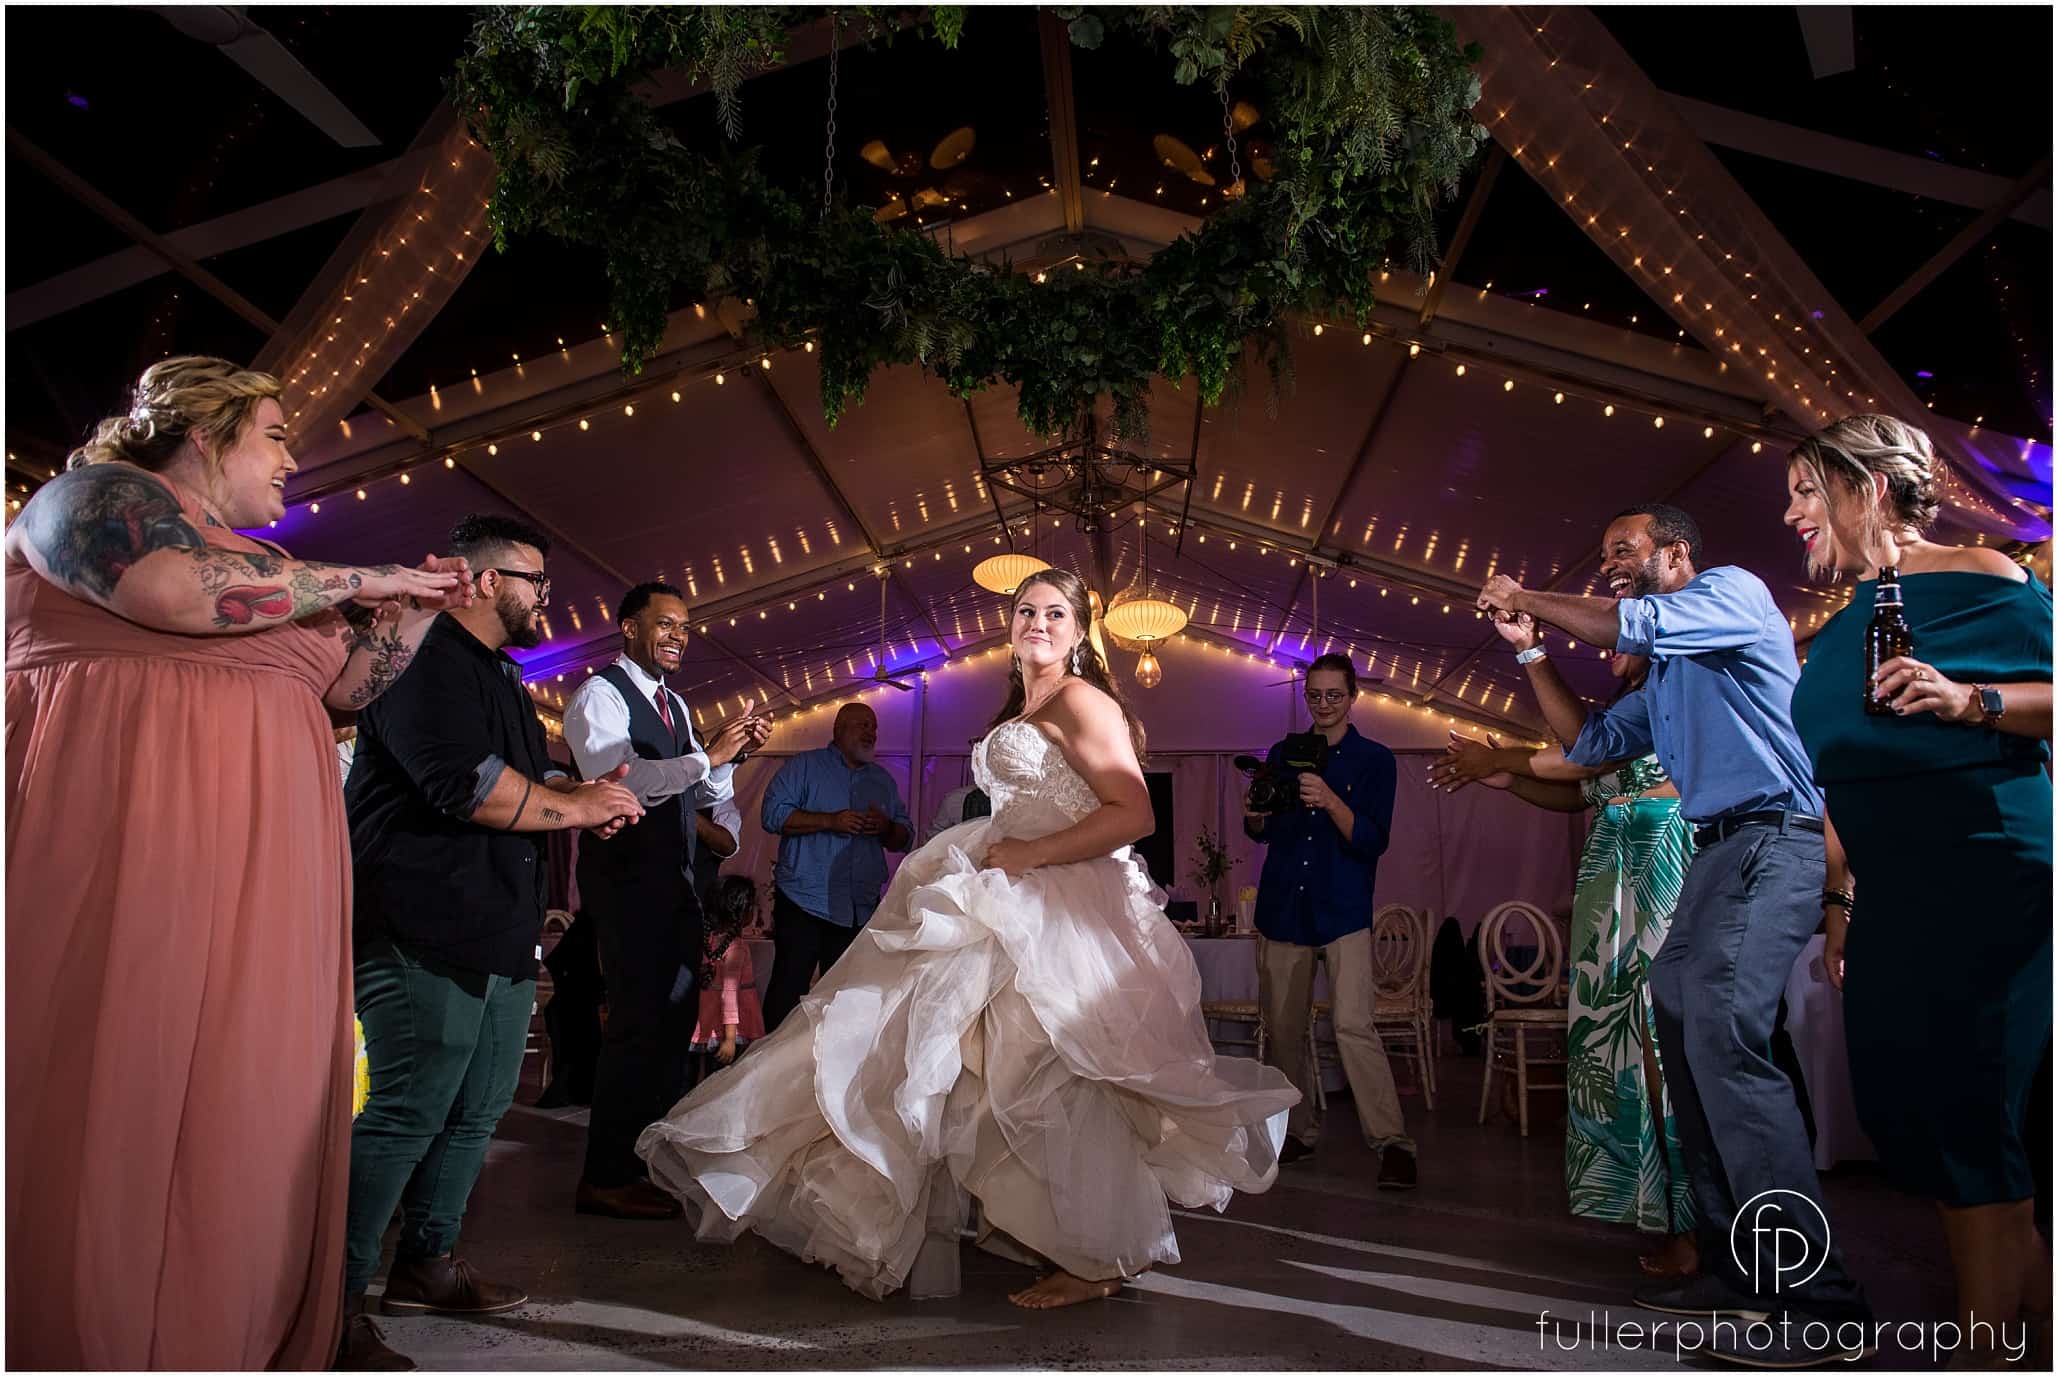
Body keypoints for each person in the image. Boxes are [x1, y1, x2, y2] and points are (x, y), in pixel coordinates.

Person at [638, 568, 1297, 1308]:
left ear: (1081, 631)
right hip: (1001, 891)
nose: (1038, 623)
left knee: (1039, 1073)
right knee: (974, 1068)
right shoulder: (1027, 702)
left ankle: (1095, 1252)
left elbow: (1135, 813)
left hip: (1052, 901)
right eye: (1025, 611)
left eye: (1055, 613)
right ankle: (1041, 1226)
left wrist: (1027, 855)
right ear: (1008, 624)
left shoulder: (1083, 698)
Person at [4, 356, 468, 1369]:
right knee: (121, 1074)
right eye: (275, 434)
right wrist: (371, 576)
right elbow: (170, 591)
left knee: (242, 1102)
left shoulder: (260, 560)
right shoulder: (90, 499)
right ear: (204, 434)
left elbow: (348, 688)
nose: (293, 458)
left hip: (269, 863)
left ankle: (227, 1331)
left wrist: (421, 606)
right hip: (132, 828)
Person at [1476, 502, 1872, 1366]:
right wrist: (1529, 648)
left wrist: (1531, 596)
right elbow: (1587, 743)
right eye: (1607, 550)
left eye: (1625, 549)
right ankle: (1736, 1266)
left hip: (1777, 840)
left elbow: (1636, 618)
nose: (1611, 562)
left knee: (1728, 1039)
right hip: (1716, 854)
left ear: (1677, 553)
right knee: (1685, 1035)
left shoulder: (1734, 593)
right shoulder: (1664, 681)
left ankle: (1820, 1297)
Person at [342, 514, 644, 1370]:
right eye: (532, 580)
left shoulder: (504, 677)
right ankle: (331, 1299)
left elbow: (521, 774)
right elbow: (462, 783)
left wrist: (580, 790)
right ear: (480, 580)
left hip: (499, 929)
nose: (546, 596)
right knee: (407, 1111)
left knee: (476, 1111)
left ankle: (427, 1263)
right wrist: (575, 807)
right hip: (420, 920)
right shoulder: (418, 656)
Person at [1782, 415, 2052, 1364]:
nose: (1790, 513)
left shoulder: (1989, 576)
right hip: (1893, 897)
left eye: (1807, 490)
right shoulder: (1839, 624)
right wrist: (1842, 906)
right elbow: (1843, 790)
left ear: (1871, 486)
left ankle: (1987, 1355)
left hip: (1987, 872)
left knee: (1973, 1122)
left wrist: (1969, 697)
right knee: (1919, 1122)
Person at [1430, 626, 1696, 1277]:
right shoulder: (1619, 712)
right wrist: (1506, 780)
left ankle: (1697, 1229)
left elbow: (1584, 761)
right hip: (1611, 894)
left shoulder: (1678, 695)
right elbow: (1580, 791)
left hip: (1660, 881)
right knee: (1625, 1058)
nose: (1609, 651)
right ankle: (1660, 1217)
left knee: (1665, 1053)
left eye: (1620, 636)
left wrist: (1505, 758)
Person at [562, 581, 769, 1220]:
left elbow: (703, 796)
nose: (680, 635)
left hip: (677, 888)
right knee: (633, 1028)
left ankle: (642, 1164)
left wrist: (730, 760)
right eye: (666, 624)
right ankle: (603, 1175)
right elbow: (623, 781)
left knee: (670, 1029)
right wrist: (707, 756)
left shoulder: (675, 705)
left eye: (685, 626)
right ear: (628, 627)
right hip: (626, 887)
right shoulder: (600, 695)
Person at [1240, 654, 1413, 1186]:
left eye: (1333, 695)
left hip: (1343, 910)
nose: (1323, 704)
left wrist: (1331, 800)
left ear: (1353, 696)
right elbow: (1261, 833)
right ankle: (1298, 1132)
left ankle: (1393, 1144)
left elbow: (1372, 840)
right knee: (1285, 1031)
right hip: (1283, 909)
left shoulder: (1376, 760)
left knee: (1353, 1026)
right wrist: (1255, 812)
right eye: (1314, 695)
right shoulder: (1281, 753)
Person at [757, 702, 914, 1031]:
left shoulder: (882, 780)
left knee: (847, 1002)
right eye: (862, 726)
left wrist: (885, 827)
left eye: (873, 727)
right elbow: (771, 815)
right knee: (787, 994)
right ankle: (767, 1073)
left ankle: (828, 1075)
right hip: (805, 902)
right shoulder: (804, 767)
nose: (871, 733)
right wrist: (830, 821)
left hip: (858, 908)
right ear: (839, 731)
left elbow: (905, 838)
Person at [687, 875, 767, 1089]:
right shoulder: (736, 948)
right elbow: (729, 994)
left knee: (691, 1076)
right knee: (721, 1082)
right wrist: (730, 1038)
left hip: (705, 1021)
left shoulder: (705, 939)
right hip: (728, 1027)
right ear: (741, 912)